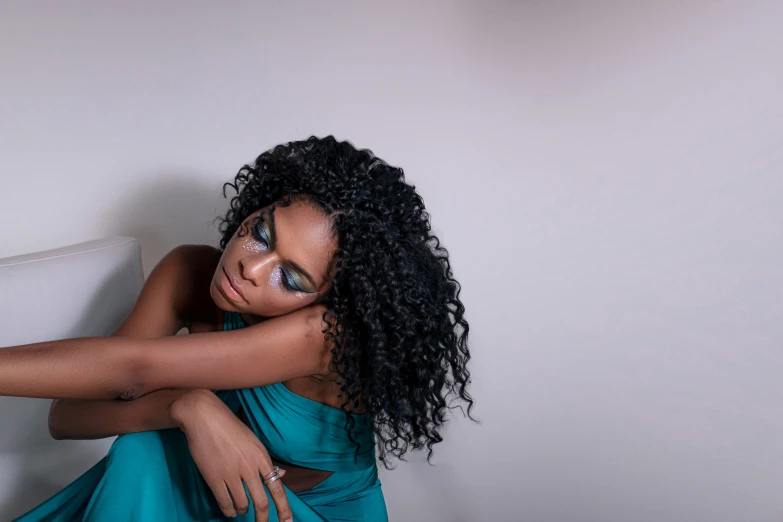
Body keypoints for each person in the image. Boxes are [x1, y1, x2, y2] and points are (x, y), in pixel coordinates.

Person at [1, 136, 474, 522]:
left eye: (290, 278)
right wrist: (186, 406)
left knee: (149, 452)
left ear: (330, 299)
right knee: (147, 449)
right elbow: (65, 417)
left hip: (296, 514)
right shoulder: (188, 271)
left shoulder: (324, 335)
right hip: (205, 491)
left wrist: (180, 404)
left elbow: (134, 369)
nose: (252, 267)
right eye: (263, 233)